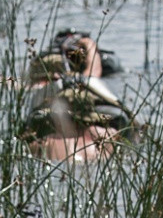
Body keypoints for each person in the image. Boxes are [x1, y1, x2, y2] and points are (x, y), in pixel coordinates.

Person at [21, 32, 137, 162]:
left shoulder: (44, 141)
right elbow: (93, 72)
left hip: (57, 132)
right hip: (95, 130)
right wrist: (90, 45)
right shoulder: (106, 133)